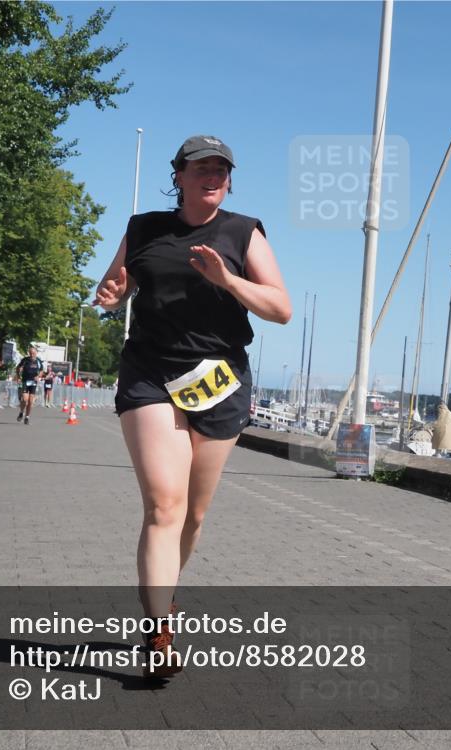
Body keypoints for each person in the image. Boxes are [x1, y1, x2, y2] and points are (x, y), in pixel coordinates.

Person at [94, 135, 291, 677]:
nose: (212, 176)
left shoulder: (243, 232)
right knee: (164, 506)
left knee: (192, 515)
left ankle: (165, 594)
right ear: (178, 175)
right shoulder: (144, 228)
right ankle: (159, 631)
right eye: (202, 167)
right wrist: (112, 295)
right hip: (151, 374)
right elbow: (117, 284)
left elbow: (280, 308)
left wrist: (228, 280)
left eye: (221, 169)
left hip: (219, 382)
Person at [16, 346, 44, 425]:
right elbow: (18, 368)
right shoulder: (25, 360)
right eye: (30, 353)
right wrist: (18, 376)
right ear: (29, 353)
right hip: (25, 381)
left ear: (36, 353)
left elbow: (41, 371)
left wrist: (38, 376)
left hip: (33, 383)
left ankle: (27, 417)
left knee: (31, 402)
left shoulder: (38, 361)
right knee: (25, 399)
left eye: (33, 353)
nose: (32, 355)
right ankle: (21, 412)